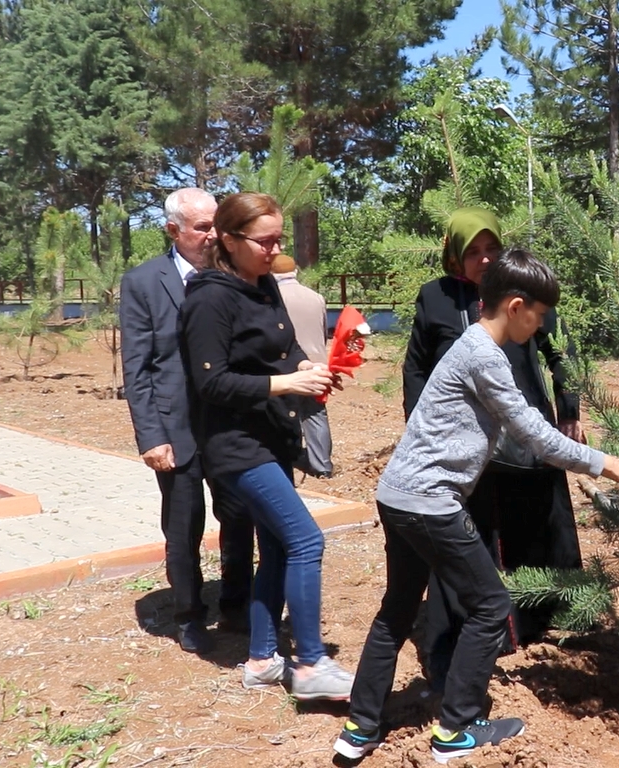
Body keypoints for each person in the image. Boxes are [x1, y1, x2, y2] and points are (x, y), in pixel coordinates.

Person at [333, 249, 619, 764]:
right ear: (515, 305)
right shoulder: (485, 356)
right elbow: (535, 436)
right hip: (431, 503)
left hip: (397, 495)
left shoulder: (470, 346)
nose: (544, 323)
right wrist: (607, 463)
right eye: (540, 313)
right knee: (489, 606)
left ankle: (360, 727)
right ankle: (455, 730)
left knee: (396, 612)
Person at [178, 191, 355, 701]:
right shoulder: (209, 298)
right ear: (229, 241)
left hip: (272, 436)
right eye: (264, 241)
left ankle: (260, 660)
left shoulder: (263, 285)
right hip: (235, 445)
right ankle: (309, 665)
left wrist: (306, 369)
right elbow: (211, 383)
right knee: (306, 540)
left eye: (279, 239)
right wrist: (284, 386)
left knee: (277, 546)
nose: (273, 249)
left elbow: (286, 346)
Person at [404, 208, 586, 691]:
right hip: (467, 436)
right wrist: (420, 426)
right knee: (478, 530)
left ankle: (549, 616)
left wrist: (568, 408)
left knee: (540, 520)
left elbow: (560, 350)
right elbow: (416, 370)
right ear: (454, 255)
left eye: (491, 250)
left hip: (526, 423)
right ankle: (490, 631)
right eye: (473, 252)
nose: (484, 259)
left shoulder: (519, 293)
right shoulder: (435, 299)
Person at [120, 187, 254, 654]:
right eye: (202, 228)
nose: (213, 234)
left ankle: (237, 607)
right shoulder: (143, 282)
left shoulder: (232, 276)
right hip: (175, 428)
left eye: (217, 225)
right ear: (173, 231)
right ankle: (189, 614)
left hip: (228, 425)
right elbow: (136, 368)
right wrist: (151, 436)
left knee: (238, 518)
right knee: (184, 527)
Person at [271, 254, 334, 478]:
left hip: (285, 367)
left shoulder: (272, 298)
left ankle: (288, 458)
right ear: (295, 271)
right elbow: (323, 331)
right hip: (317, 366)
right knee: (316, 414)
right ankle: (323, 465)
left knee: (284, 415)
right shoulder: (316, 297)